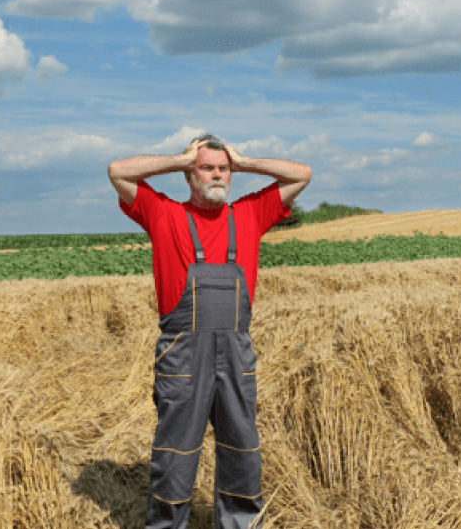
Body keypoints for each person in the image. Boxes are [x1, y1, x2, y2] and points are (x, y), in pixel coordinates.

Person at [108, 133, 312, 529]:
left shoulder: (250, 214)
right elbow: (118, 171)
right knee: (177, 452)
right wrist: (181, 158)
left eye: (223, 169)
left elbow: (301, 175)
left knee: (242, 448)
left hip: (236, 353)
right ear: (190, 175)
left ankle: (239, 523)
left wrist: (245, 160)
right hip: (184, 354)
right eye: (206, 168)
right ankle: (168, 524)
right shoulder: (163, 213)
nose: (217, 175)